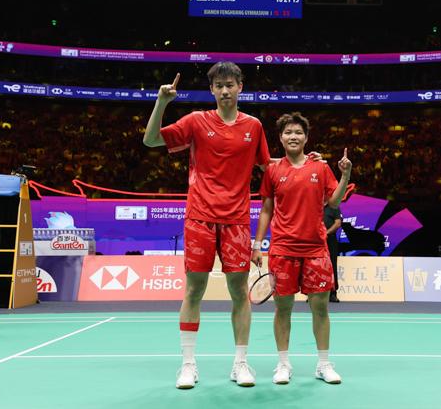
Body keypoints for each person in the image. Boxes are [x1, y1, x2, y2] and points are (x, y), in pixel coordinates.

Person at [143, 62, 271, 389]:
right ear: (212, 90)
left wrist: (302, 162)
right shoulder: (196, 121)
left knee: (239, 293)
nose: (225, 91)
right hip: (199, 217)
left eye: (230, 84)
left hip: (237, 221)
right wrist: (161, 102)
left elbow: (267, 166)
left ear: (241, 87)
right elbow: (151, 140)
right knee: (193, 290)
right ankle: (188, 365)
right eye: (219, 86)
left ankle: (240, 363)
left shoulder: (253, 126)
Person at [252, 112, 352, 386]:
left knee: (320, 309)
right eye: (288, 132)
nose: (293, 136)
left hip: (316, 249)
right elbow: (266, 209)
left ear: (306, 138)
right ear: (281, 138)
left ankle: (324, 364)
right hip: (283, 249)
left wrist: (345, 175)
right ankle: (283, 364)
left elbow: (334, 202)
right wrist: (257, 244)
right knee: (283, 309)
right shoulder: (273, 171)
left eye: (298, 132)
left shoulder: (320, 168)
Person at [324, 204, 343, 302]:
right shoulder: (313, 205)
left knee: (331, 265)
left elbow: (338, 223)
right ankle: (312, 293)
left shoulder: (333, 207)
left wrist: (326, 233)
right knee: (313, 266)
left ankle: (332, 293)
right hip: (315, 240)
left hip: (330, 239)